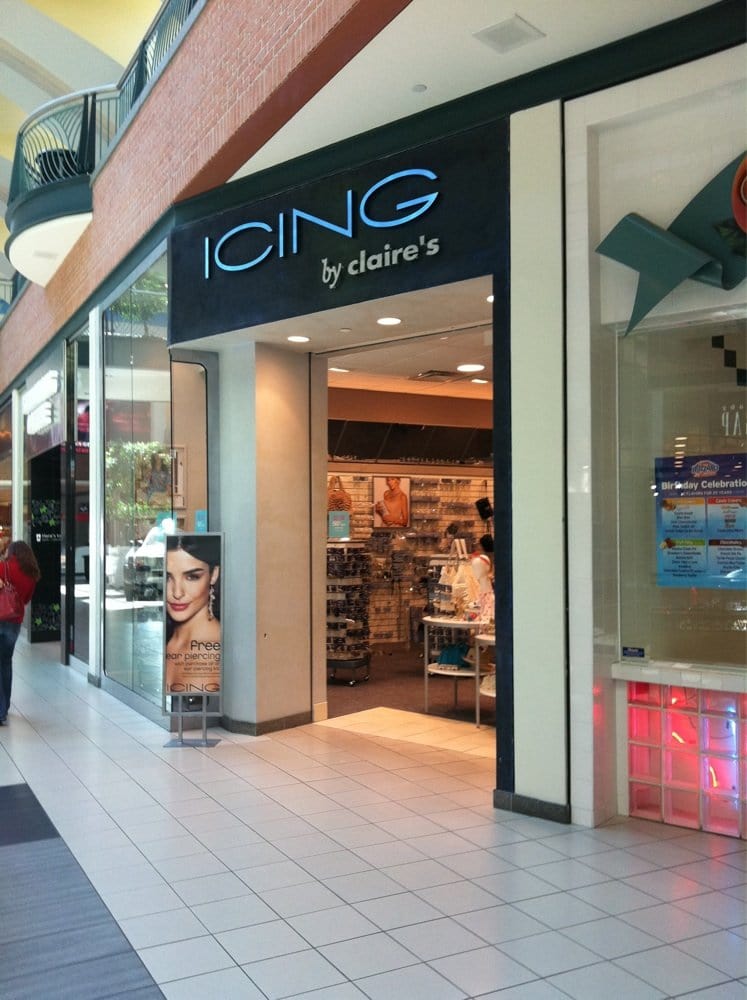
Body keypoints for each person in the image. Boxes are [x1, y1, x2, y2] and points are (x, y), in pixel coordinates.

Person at [164, 534, 221, 697]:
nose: (177, 593)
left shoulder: (215, 653)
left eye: (192, 577)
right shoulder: (164, 640)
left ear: (214, 574)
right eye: (167, 577)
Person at [0, 540, 41, 723]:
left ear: (11, 552)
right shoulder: (31, 573)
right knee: (5, 662)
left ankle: (0, 711)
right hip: (14, 622)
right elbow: (25, 600)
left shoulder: (3, 567)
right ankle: (4, 707)